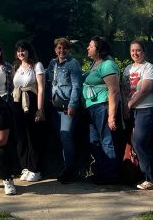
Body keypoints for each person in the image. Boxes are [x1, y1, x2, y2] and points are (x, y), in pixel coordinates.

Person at [83, 36, 122, 184]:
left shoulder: (107, 65)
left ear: (99, 49)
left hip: (103, 106)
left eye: (90, 46)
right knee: (94, 140)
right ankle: (101, 172)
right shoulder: (95, 63)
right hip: (92, 108)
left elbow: (114, 90)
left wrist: (111, 116)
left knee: (107, 140)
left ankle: (111, 175)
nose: (88, 48)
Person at [47, 37, 82, 183]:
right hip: (55, 108)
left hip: (67, 107)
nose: (62, 51)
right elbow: (50, 81)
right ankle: (66, 168)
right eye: (59, 48)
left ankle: (71, 171)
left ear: (69, 50)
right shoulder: (52, 63)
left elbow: (77, 86)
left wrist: (72, 105)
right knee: (62, 138)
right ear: (55, 49)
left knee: (66, 137)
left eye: (65, 48)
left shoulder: (73, 64)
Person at [125, 41, 153, 190]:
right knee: (134, 144)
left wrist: (129, 104)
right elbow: (124, 88)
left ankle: (151, 179)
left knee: (140, 143)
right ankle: (140, 175)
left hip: (145, 109)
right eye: (132, 50)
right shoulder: (128, 68)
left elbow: (145, 90)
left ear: (143, 52)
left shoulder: (149, 67)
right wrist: (126, 106)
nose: (135, 53)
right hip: (131, 110)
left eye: (138, 50)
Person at [12, 40, 45, 182]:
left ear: (29, 51)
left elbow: (41, 88)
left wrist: (39, 109)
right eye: (18, 51)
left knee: (33, 136)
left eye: (23, 50)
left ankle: (35, 169)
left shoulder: (37, 66)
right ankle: (24, 166)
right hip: (17, 102)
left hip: (31, 102)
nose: (21, 53)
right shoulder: (16, 67)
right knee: (21, 137)